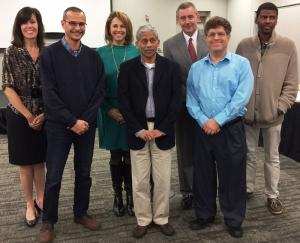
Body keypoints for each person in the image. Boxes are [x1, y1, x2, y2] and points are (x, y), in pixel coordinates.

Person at [38, 7, 105, 243]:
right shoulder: (49, 54)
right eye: (73, 23)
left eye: (82, 24)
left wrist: (83, 121)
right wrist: (71, 120)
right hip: (59, 127)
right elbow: (50, 94)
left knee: (84, 173)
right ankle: (48, 221)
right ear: (63, 24)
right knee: (54, 176)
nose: (78, 28)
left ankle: (81, 213)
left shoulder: (93, 56)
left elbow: (99, 92)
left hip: (86, 126)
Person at [186, 17, 253, 238]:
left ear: (228, 37)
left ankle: (233, 219)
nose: (216, 38)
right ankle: (204, 215)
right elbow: (191, 99)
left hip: (230, 129)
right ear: (206, 38)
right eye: (212, 34)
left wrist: (218, 120)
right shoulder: (196, 68)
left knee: (232, 176)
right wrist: (205, 120)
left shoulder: (241, 65)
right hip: (203, 129)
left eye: (220, 34)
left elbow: (240, 99)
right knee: (202, 175)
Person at [118, 25, 181, 238]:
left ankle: (161, 218)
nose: (148, 44)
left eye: (152, 40)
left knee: (163, 179)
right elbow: (123, 101)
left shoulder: (171, 67)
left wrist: (161, 129)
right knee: (140, 180)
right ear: (137, 44)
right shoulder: (127, 69)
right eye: (143, 41)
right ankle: (143, 219)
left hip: (163, 130)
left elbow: (176, 101)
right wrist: (138, 129)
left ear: (158, 42)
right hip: (138, 131)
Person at [236, 2, 298, 215]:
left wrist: (280, 107)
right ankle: (246, 189)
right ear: (257, 19)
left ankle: (272, 195)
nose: (268, 21)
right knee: (249, 154)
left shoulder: (288, 46)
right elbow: (235, 78)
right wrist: (240, 106)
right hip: (247, 115)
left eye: (272, 17)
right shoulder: (244, 46)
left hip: (274, 116)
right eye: (264, 17)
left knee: (272, 157)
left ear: (276, 20)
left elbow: (291, 83)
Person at [2, 7, 46, 227]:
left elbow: (54, 87)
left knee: (40, 161)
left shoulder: (47, 52)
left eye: (33, 22)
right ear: (19, 27)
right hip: (20, 116)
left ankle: (41, 199)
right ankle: (29, 204)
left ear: (39, 24)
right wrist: (29, 116)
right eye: (24, 22)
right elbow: (7, 88)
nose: (29, 26)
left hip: (45, 115)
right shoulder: (11, 52)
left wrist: (44, 114)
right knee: (25, 164)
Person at [163, 2, 207, 209]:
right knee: (185, 151)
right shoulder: (169, 44)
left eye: (191, 17)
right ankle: (188, 191)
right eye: (183, 18)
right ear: (177, 20)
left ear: (197, 17)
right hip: (183, 107)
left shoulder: (212, 38)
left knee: (207, 150)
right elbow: (172, 79)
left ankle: (206, 189)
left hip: (210, 108)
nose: (187, 21)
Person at [96, 11, 139, 217]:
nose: (119, 30)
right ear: (109, 29)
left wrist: (130, 112)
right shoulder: (99, 53)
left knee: (131, 154)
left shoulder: (137, 51)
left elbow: (142, 86)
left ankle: (131, 196)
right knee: (115, 154)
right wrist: (108, 109)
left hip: (132, 111)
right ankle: (117, 196)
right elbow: (96, 87)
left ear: (127, 29)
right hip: (108, 111)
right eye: (115, 26)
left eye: (122, 26)